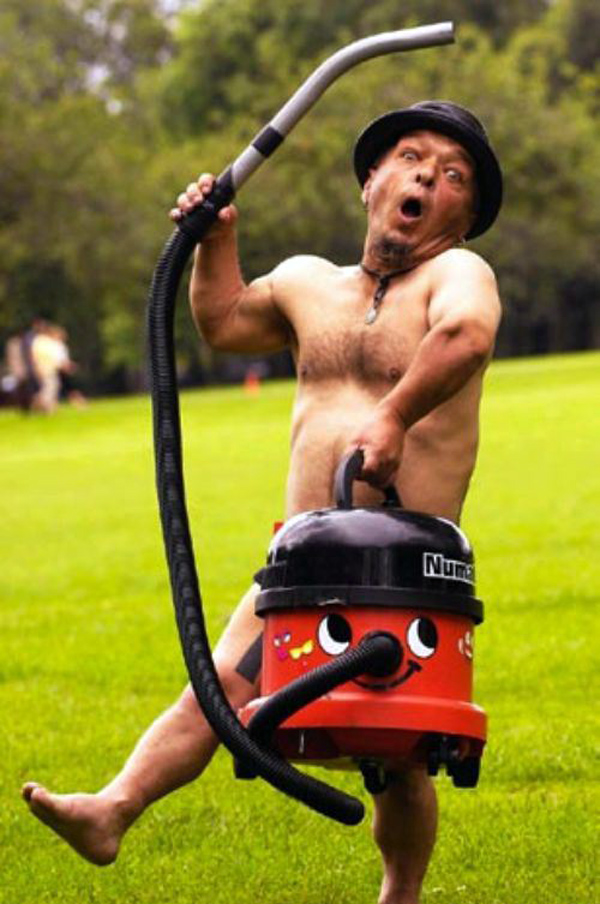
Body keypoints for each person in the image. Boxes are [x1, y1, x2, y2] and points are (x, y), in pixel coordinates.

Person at [22, 101, 503, 904]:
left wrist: (393, 416)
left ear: (466, 214)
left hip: (402, 566)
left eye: (454, 176)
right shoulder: (307, 283)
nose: (428, 176)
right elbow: (222, 321)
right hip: (303, 561)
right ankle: (112, 810)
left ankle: (401, 891)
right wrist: (217, 239)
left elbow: (467, 336)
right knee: (213, 689)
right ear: (371, 181)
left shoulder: (459, 276)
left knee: (399, 752)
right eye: (412, 158)